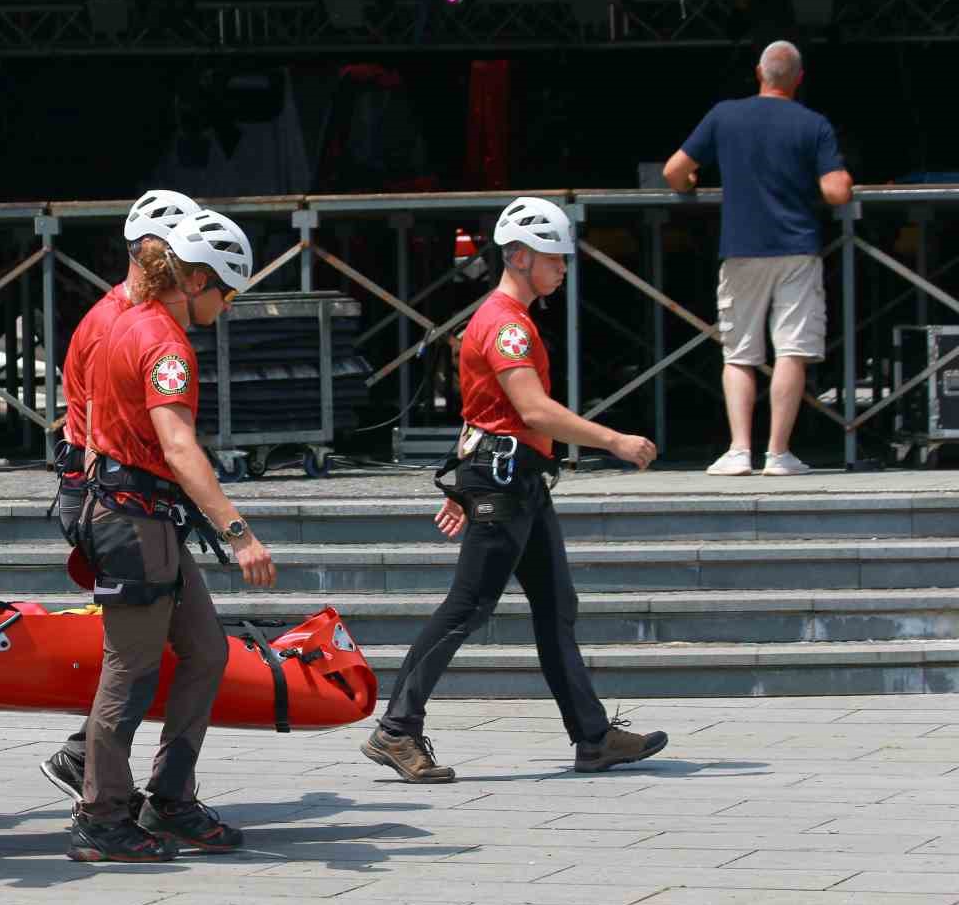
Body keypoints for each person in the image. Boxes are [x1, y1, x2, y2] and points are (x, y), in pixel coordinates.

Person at [361, 197, 669, 784]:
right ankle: (397, 729)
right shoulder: (506, 323)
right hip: (503, 482)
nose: (564, 267)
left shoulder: (510, 318)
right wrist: (614, 440)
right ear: (522, 257)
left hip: (514, 480)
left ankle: (593, 737)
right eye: (556, 256)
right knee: (468, 606)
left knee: (556, 608)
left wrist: (459, 482)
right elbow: (531, 409)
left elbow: (485, 411)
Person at [73, 208, 276, 862]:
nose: (228, 302)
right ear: (193, 280)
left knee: (207, 651)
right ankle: (102, 814)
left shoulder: (127, 322)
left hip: (142, 517)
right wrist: (238, 532)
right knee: (129, 671)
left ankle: (169, 796)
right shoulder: (165, 345)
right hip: (134, 521)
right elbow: (180, 447)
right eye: (226, 289)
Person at [40, 188, 201, 805]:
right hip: (115, 500)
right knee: (134, 654)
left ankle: (145, 786)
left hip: (128, 499)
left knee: (185, 646)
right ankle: (100, 787)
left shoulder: (131, 317)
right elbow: (98, 431)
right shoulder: (119, 323)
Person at [663, 40, 855, 477]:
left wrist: (691, 182)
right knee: (791, 351)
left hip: (740, 249)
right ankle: (779, 454)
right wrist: (841, 177)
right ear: (799, 79)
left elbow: (675, 171)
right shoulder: (814, 124)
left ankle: (738, 450)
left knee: (739, 353)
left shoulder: (724, 115)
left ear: (759, 73)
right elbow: (836, 192)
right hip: (797, 250)